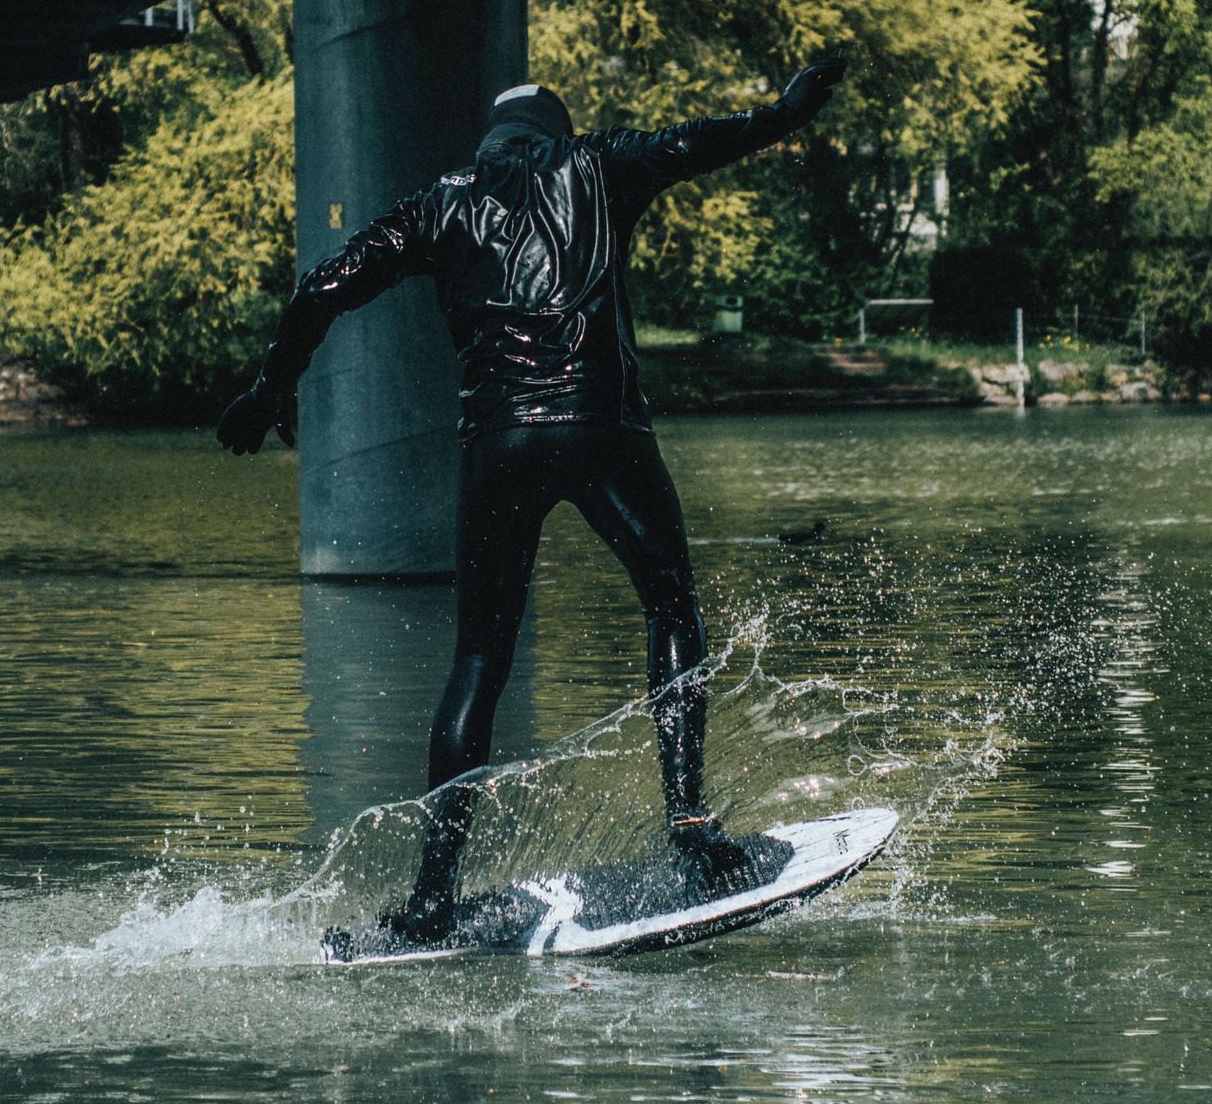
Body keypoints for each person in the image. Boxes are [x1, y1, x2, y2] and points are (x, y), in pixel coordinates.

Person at [217, 58, 849, 943]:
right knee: (669, 603)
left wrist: (271, 387)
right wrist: (786, 113)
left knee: (477, 663)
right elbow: (696, 142)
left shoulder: (441, 202)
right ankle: (692, 832)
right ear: (552, 132)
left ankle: (433, 896)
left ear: (492, 144)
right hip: (601, 429)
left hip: (499, 445)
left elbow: (322, 285)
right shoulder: (596, 162)